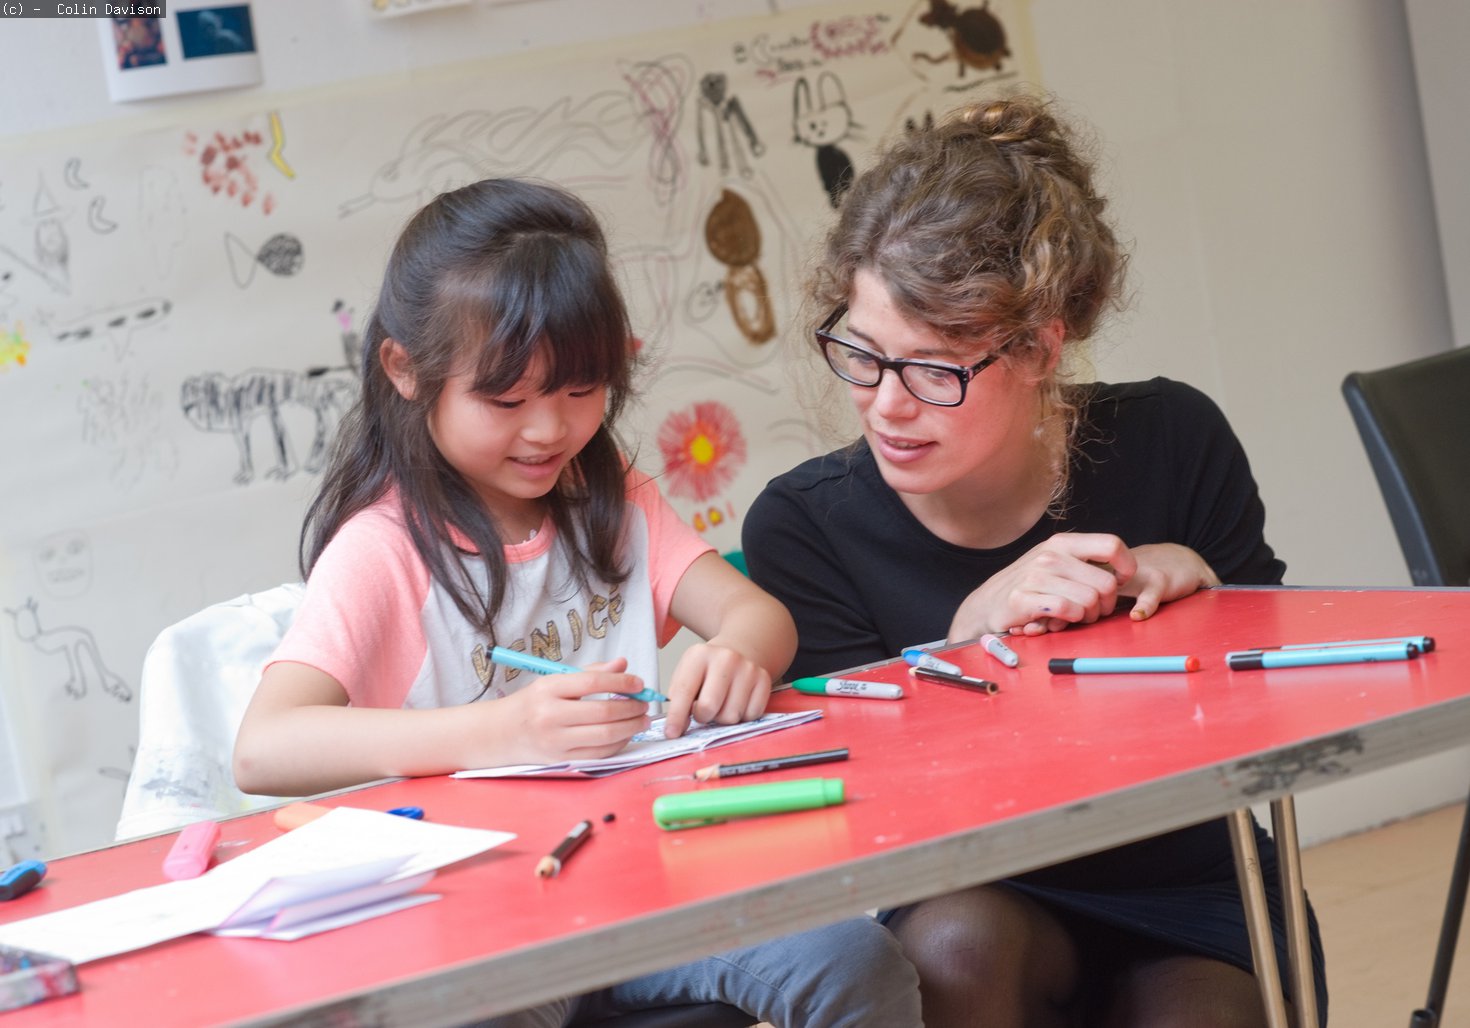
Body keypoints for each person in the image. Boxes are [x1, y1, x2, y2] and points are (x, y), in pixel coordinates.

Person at [232, 177, 920, 1027]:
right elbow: (263, 748)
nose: (548, 431)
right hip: (486, 917)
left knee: (852, 960)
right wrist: (503, 733)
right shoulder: (384, 550)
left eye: (579, 390)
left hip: (646, 875)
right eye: (506, 399)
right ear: (406, 373)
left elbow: (758, 616)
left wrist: (737, 653)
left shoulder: (612, 498)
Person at [743, 94, 1328, 1027]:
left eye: (935, 370)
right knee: (958, 948)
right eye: (862, 354)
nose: (887, 405)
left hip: (1183, 877)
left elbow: (1277, 721)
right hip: (968, 879)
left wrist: (1201, 599)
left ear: (1041, 346)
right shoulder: (804, 526)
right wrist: (969, 633)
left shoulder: (1173, 438)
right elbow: (859, 801)